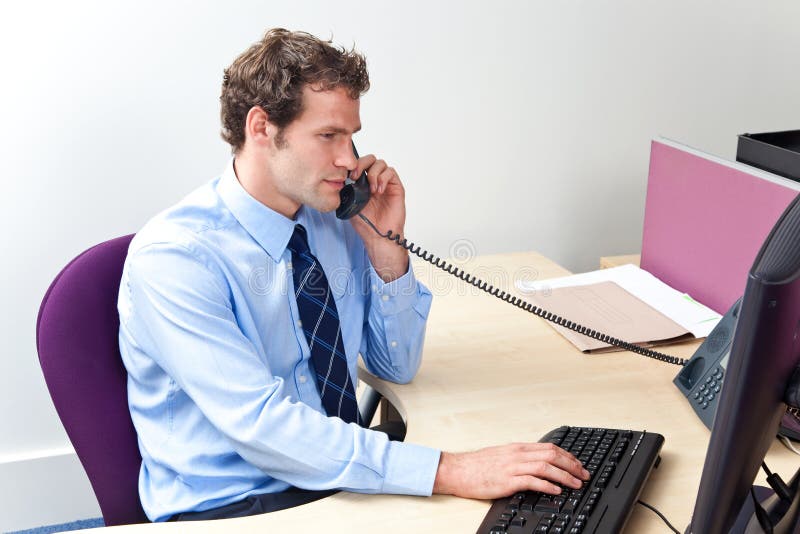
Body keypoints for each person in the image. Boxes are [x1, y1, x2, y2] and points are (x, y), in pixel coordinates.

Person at [118, 28, 589, 522]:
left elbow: (395, 366)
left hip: (332, 471)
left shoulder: (334, 220)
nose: (349, 159)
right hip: (236, 505)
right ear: (261, 128)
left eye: (351, 136)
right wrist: (450, 470)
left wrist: (388, 254)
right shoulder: (176, 259)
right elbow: (263, 427)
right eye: (328, 136)